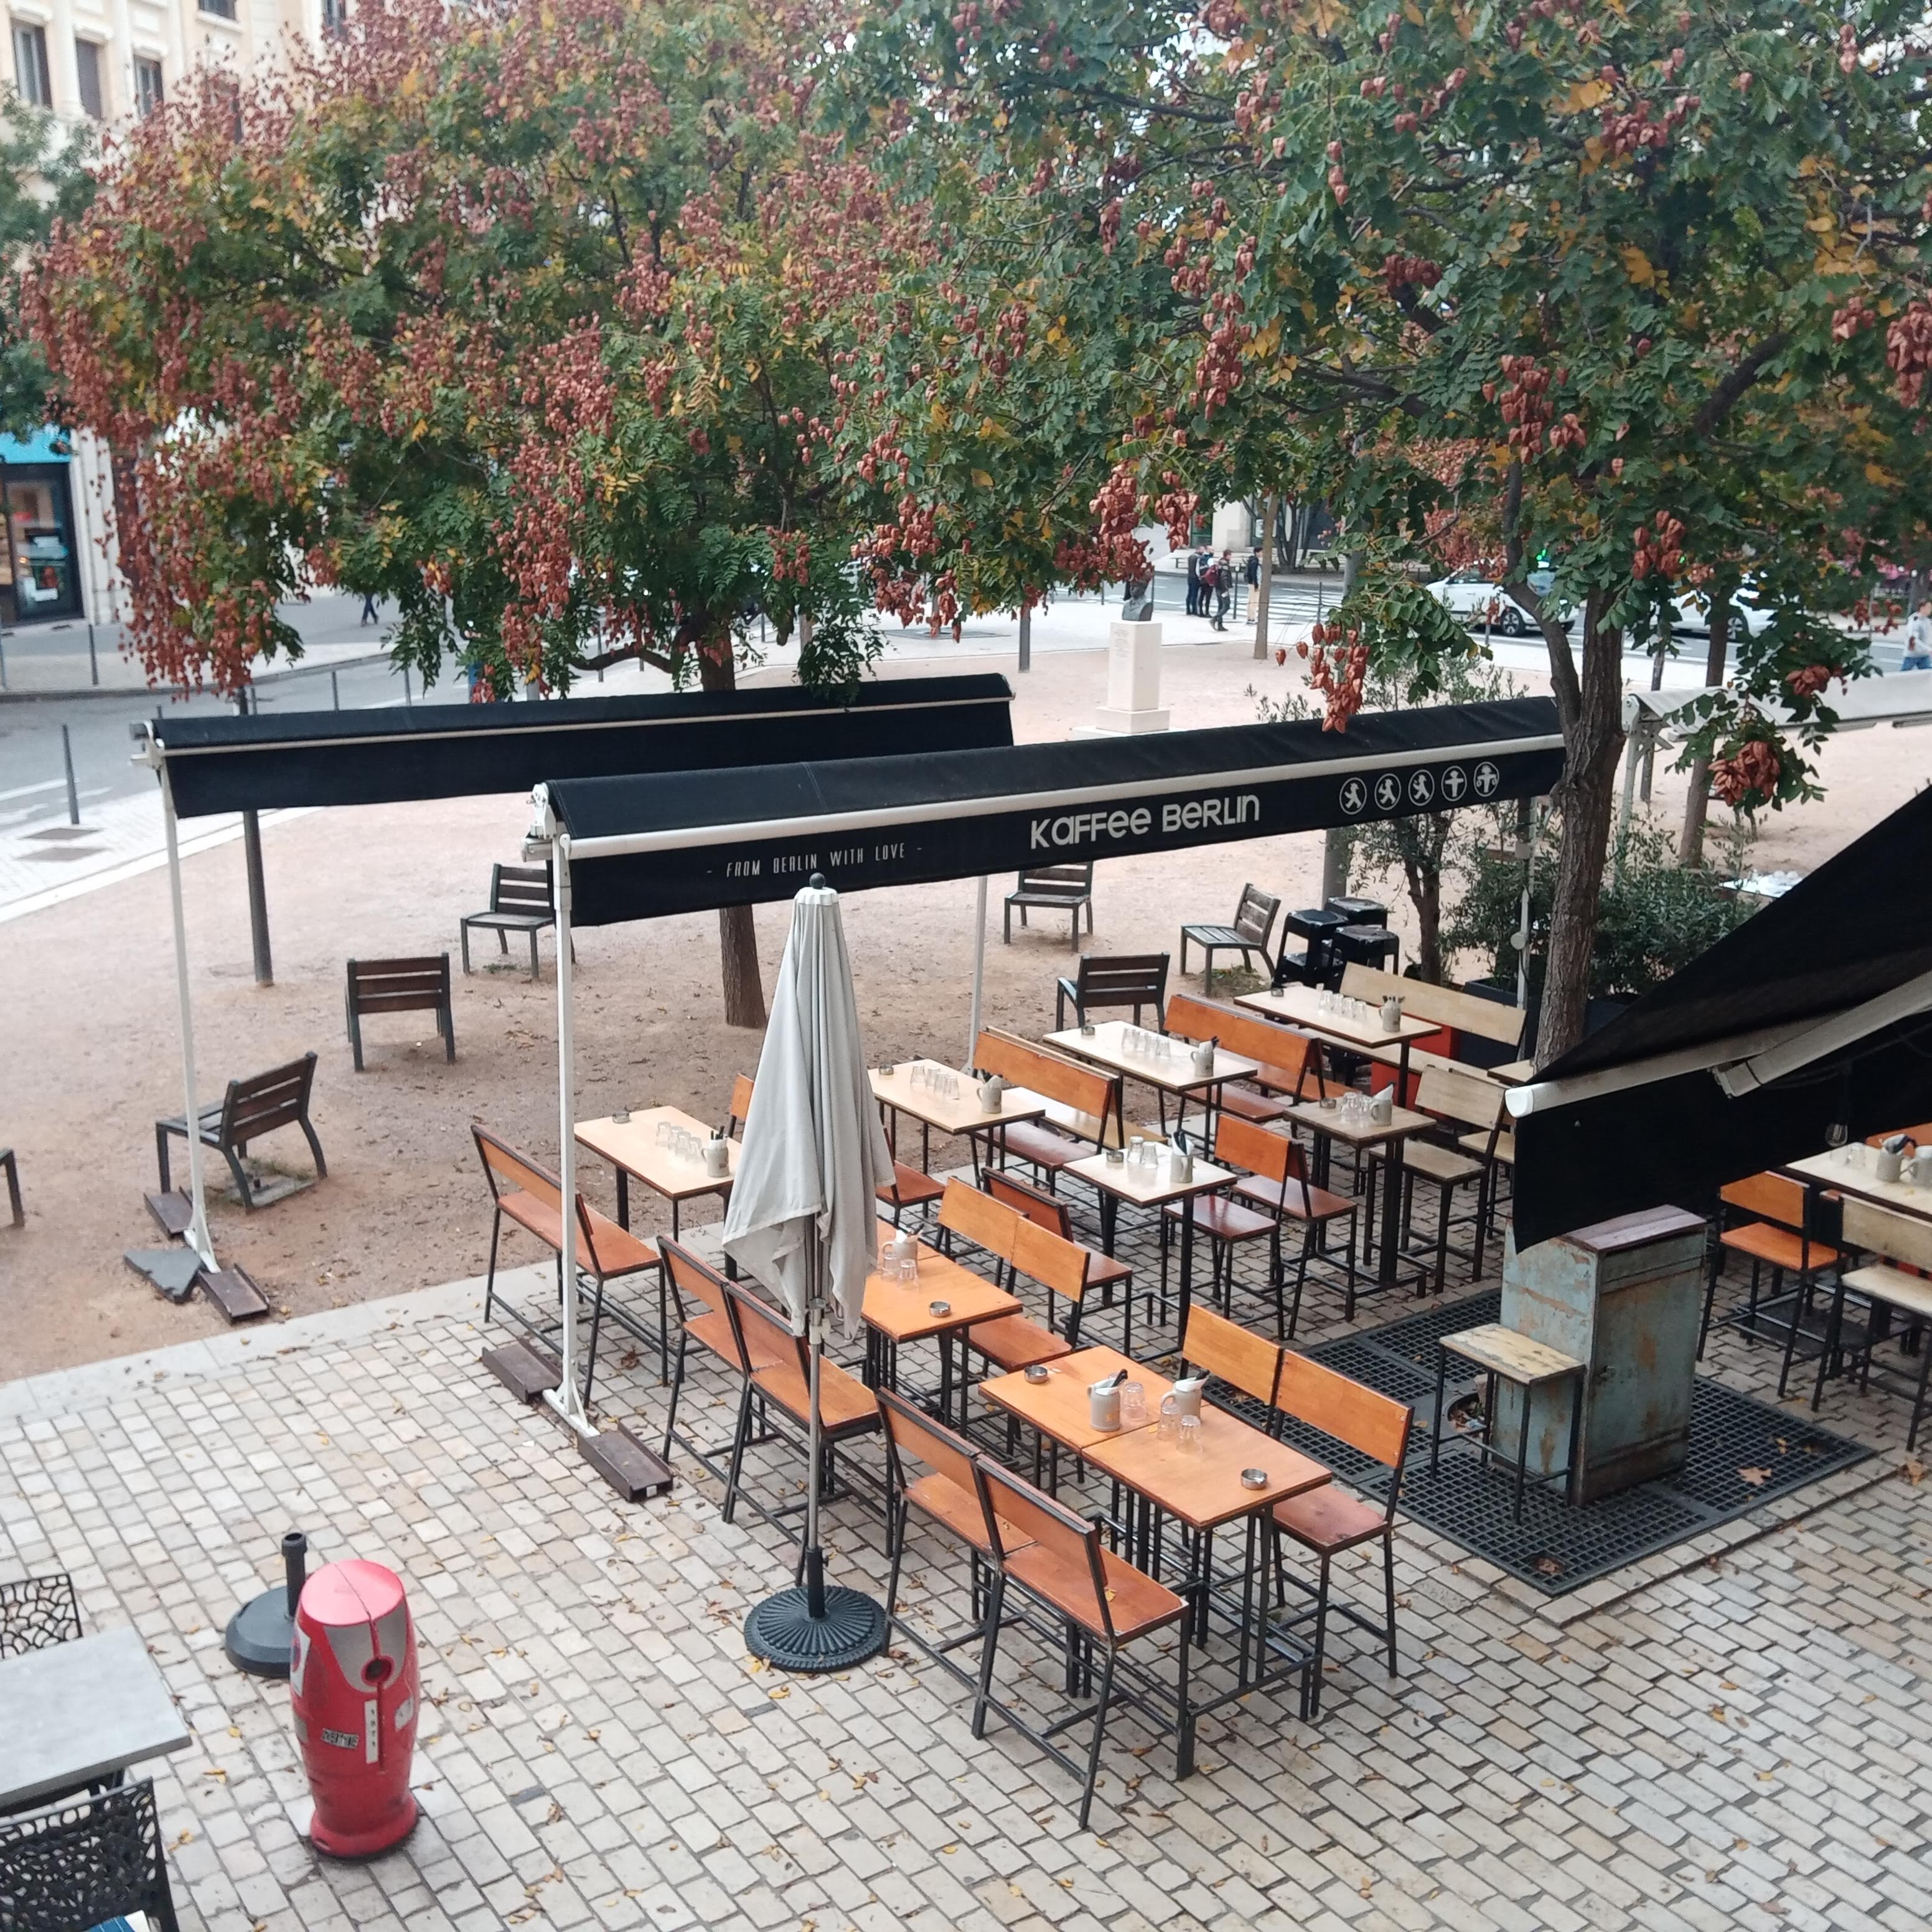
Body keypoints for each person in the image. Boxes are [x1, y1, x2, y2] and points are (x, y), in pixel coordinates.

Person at [1904, 600, 1932, 671]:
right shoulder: (1914, 621)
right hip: (1912, 654)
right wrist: (1928, 649)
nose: (1930, 610)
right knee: (1904, 673)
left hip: (1924, 655)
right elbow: (1914, 639)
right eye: (1929, 607)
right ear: (1922, 608)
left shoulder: (1927, 621)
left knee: (1928, 673)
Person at [1212, 550, 1233, 631]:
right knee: (1226, 605)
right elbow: (1224, 577)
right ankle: (1215, 618)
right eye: (1230, 555)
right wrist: (1225, 589)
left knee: (1221, 606)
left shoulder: (1220, 562)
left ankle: (1220, 625)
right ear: (1227, 555)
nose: (1231, 557)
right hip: (1222, 588)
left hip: (1217, 586)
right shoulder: (1225, 564)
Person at [1184, 548, 1201, 617]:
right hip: (1195, 578)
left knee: (1190, 593)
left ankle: (1188, 609)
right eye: (1202, 550)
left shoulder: (1191, 557)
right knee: (1195, 594)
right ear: (1199, 550)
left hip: (1190, 577)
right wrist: (1199, 576)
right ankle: (1194, 610)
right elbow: (1197, 569)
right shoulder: (1198, 558)